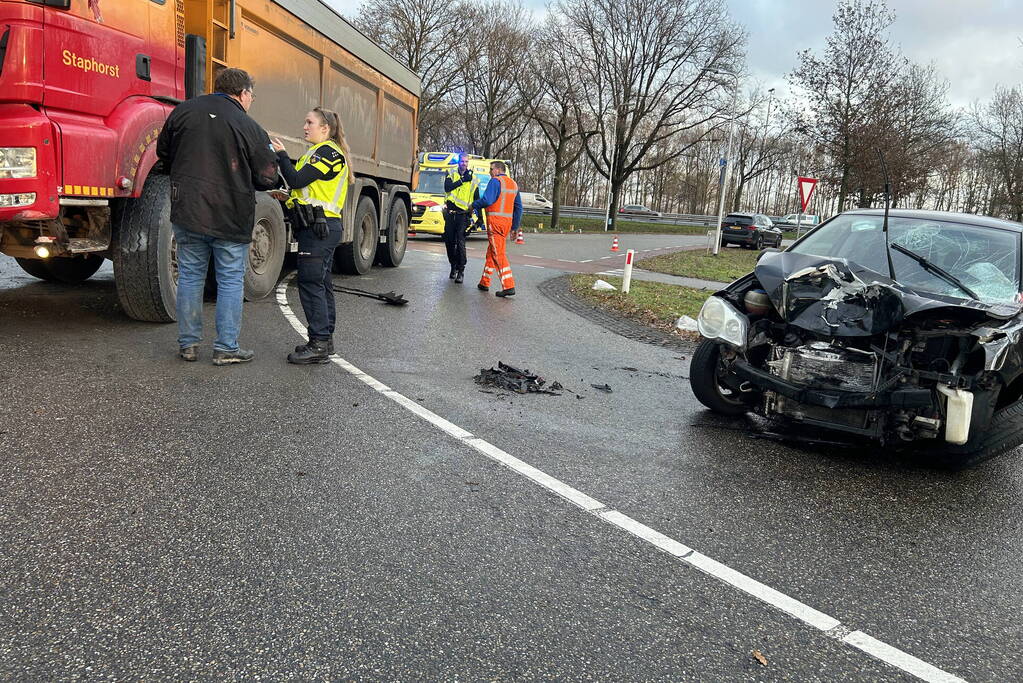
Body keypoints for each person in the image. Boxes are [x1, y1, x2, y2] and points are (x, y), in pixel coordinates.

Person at [156, 67, 278, 365]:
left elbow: (164, 154)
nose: (251, 101)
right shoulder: (249, 127)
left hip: (188, 211)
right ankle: (226, 348)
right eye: (252, 95)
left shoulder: (182, 112)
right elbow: (267, 178)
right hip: (230, 216)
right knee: (230, 280)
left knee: (189, 276)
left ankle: (188, 345)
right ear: (243, 93)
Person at [271, 107, 353, 364]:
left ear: (325, 128)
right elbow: (305, 189)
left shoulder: (327, 152)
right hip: (319, 225)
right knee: (321, 282)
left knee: (310, 283)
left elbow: (295, 179)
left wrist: (282, 155)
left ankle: (318, 343)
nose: (305, 127)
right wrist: (287, 198)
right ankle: (324, 340)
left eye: (310, 122)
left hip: (320, 228)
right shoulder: (316, 152)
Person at [471, 161, 522, 297]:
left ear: (498, 170)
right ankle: (484, 282)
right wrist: (515, 227)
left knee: (498, 254)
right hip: (506, 224)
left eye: (491, 169)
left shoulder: (495, 181)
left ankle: (508, 285)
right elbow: (519, 208)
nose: (489, 172)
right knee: (492, 252)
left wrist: (473, 205)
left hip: (495, 223)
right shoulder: (513, 184)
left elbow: (487, 200)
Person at [443, 155, 474, 283]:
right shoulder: (451, 173)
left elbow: (476, 198)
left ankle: (461, 270)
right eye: (462, 161)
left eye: (466, 162)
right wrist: (462, 180)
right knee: (449, 242)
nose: (464, 164)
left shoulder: (473, 178)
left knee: (460, 243)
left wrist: (477, 219)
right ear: (458, 162)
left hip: (462, 215)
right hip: (450, 214)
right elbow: (447, 187)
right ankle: (453, 265)